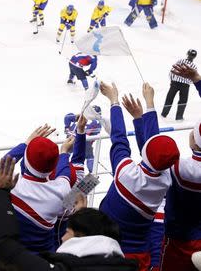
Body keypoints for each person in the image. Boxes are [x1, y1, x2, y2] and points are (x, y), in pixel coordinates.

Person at [0, 155, 139, 271]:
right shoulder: (65, 202)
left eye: (68, 232)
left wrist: (64, 154)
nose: (63, 237)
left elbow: (5, 244)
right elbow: (77, 171)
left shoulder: (58, 201)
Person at [99, 82, 180, 271]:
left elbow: (119, 137)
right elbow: (154, 148)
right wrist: (141, 114)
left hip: (109, 251)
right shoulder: (166, 179)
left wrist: (114, 101)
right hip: (140, 256)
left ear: (145, 153)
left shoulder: (125, 172)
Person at [5, 120, 85, 254]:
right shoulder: (65, 192)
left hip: (14, 255)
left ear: (26, 162)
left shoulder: (14, 187)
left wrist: (26, 144)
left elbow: (0, 169)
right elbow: (78, 164)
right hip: (51, 253)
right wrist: (66, 150)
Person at [161, 120, 201, 271]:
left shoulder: (179, 167)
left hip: (177, 241)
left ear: (194, 144)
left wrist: (146, 111)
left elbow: (155, 153)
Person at [161, 49, 198, 121]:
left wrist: (172, 80)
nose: (191, 56)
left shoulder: (182, 62)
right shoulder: (192, 65)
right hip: (183, 85)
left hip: (178, 83)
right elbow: (193, 77)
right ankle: (176, 116)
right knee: (179, 100)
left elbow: (172, 71)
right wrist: (187, 82)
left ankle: (167, 114)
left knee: (173, 98)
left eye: (191, 55)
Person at [64, 107, 102, 172]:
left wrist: (67, 128)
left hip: (71, 140)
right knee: (90, 157)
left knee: (65, 154)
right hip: (84, 141)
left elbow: (67, 117)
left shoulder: (79, 117)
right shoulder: (97, 122)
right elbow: (93, 133)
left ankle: (63, 169)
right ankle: (92, 173)